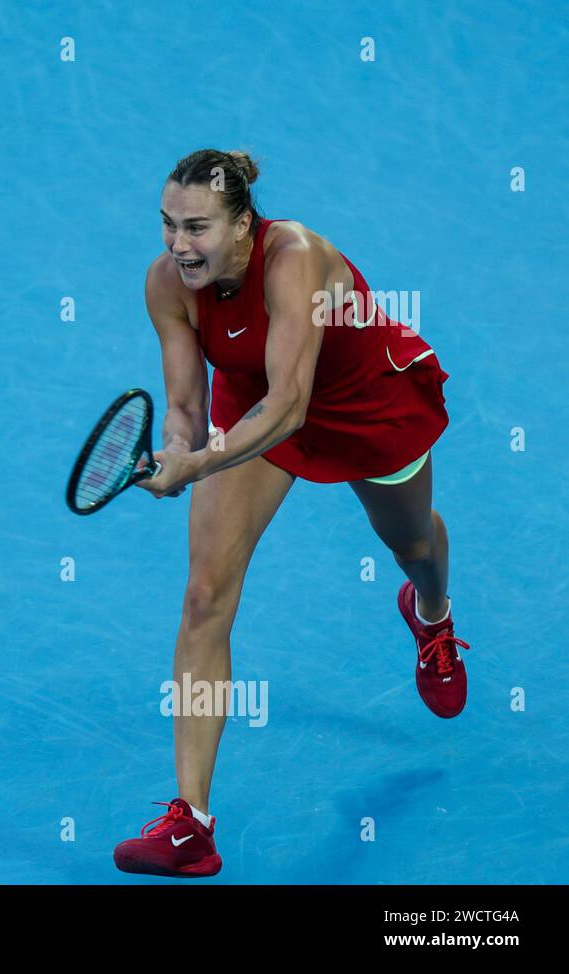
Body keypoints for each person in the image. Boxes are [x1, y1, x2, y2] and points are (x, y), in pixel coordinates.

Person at [112, 148, 469, 878]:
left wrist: (202, 460)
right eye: (168, 225)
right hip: (253, 407)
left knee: (409, 544)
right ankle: (191, 824)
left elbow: (292, 404)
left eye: (198, 228)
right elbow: (183, 406)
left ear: (244, 225)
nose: (179, 245)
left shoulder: (295, 258)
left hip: (359, 402)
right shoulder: (167, 285)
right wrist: (175, 454)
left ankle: (430, 611)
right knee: (205, 595)